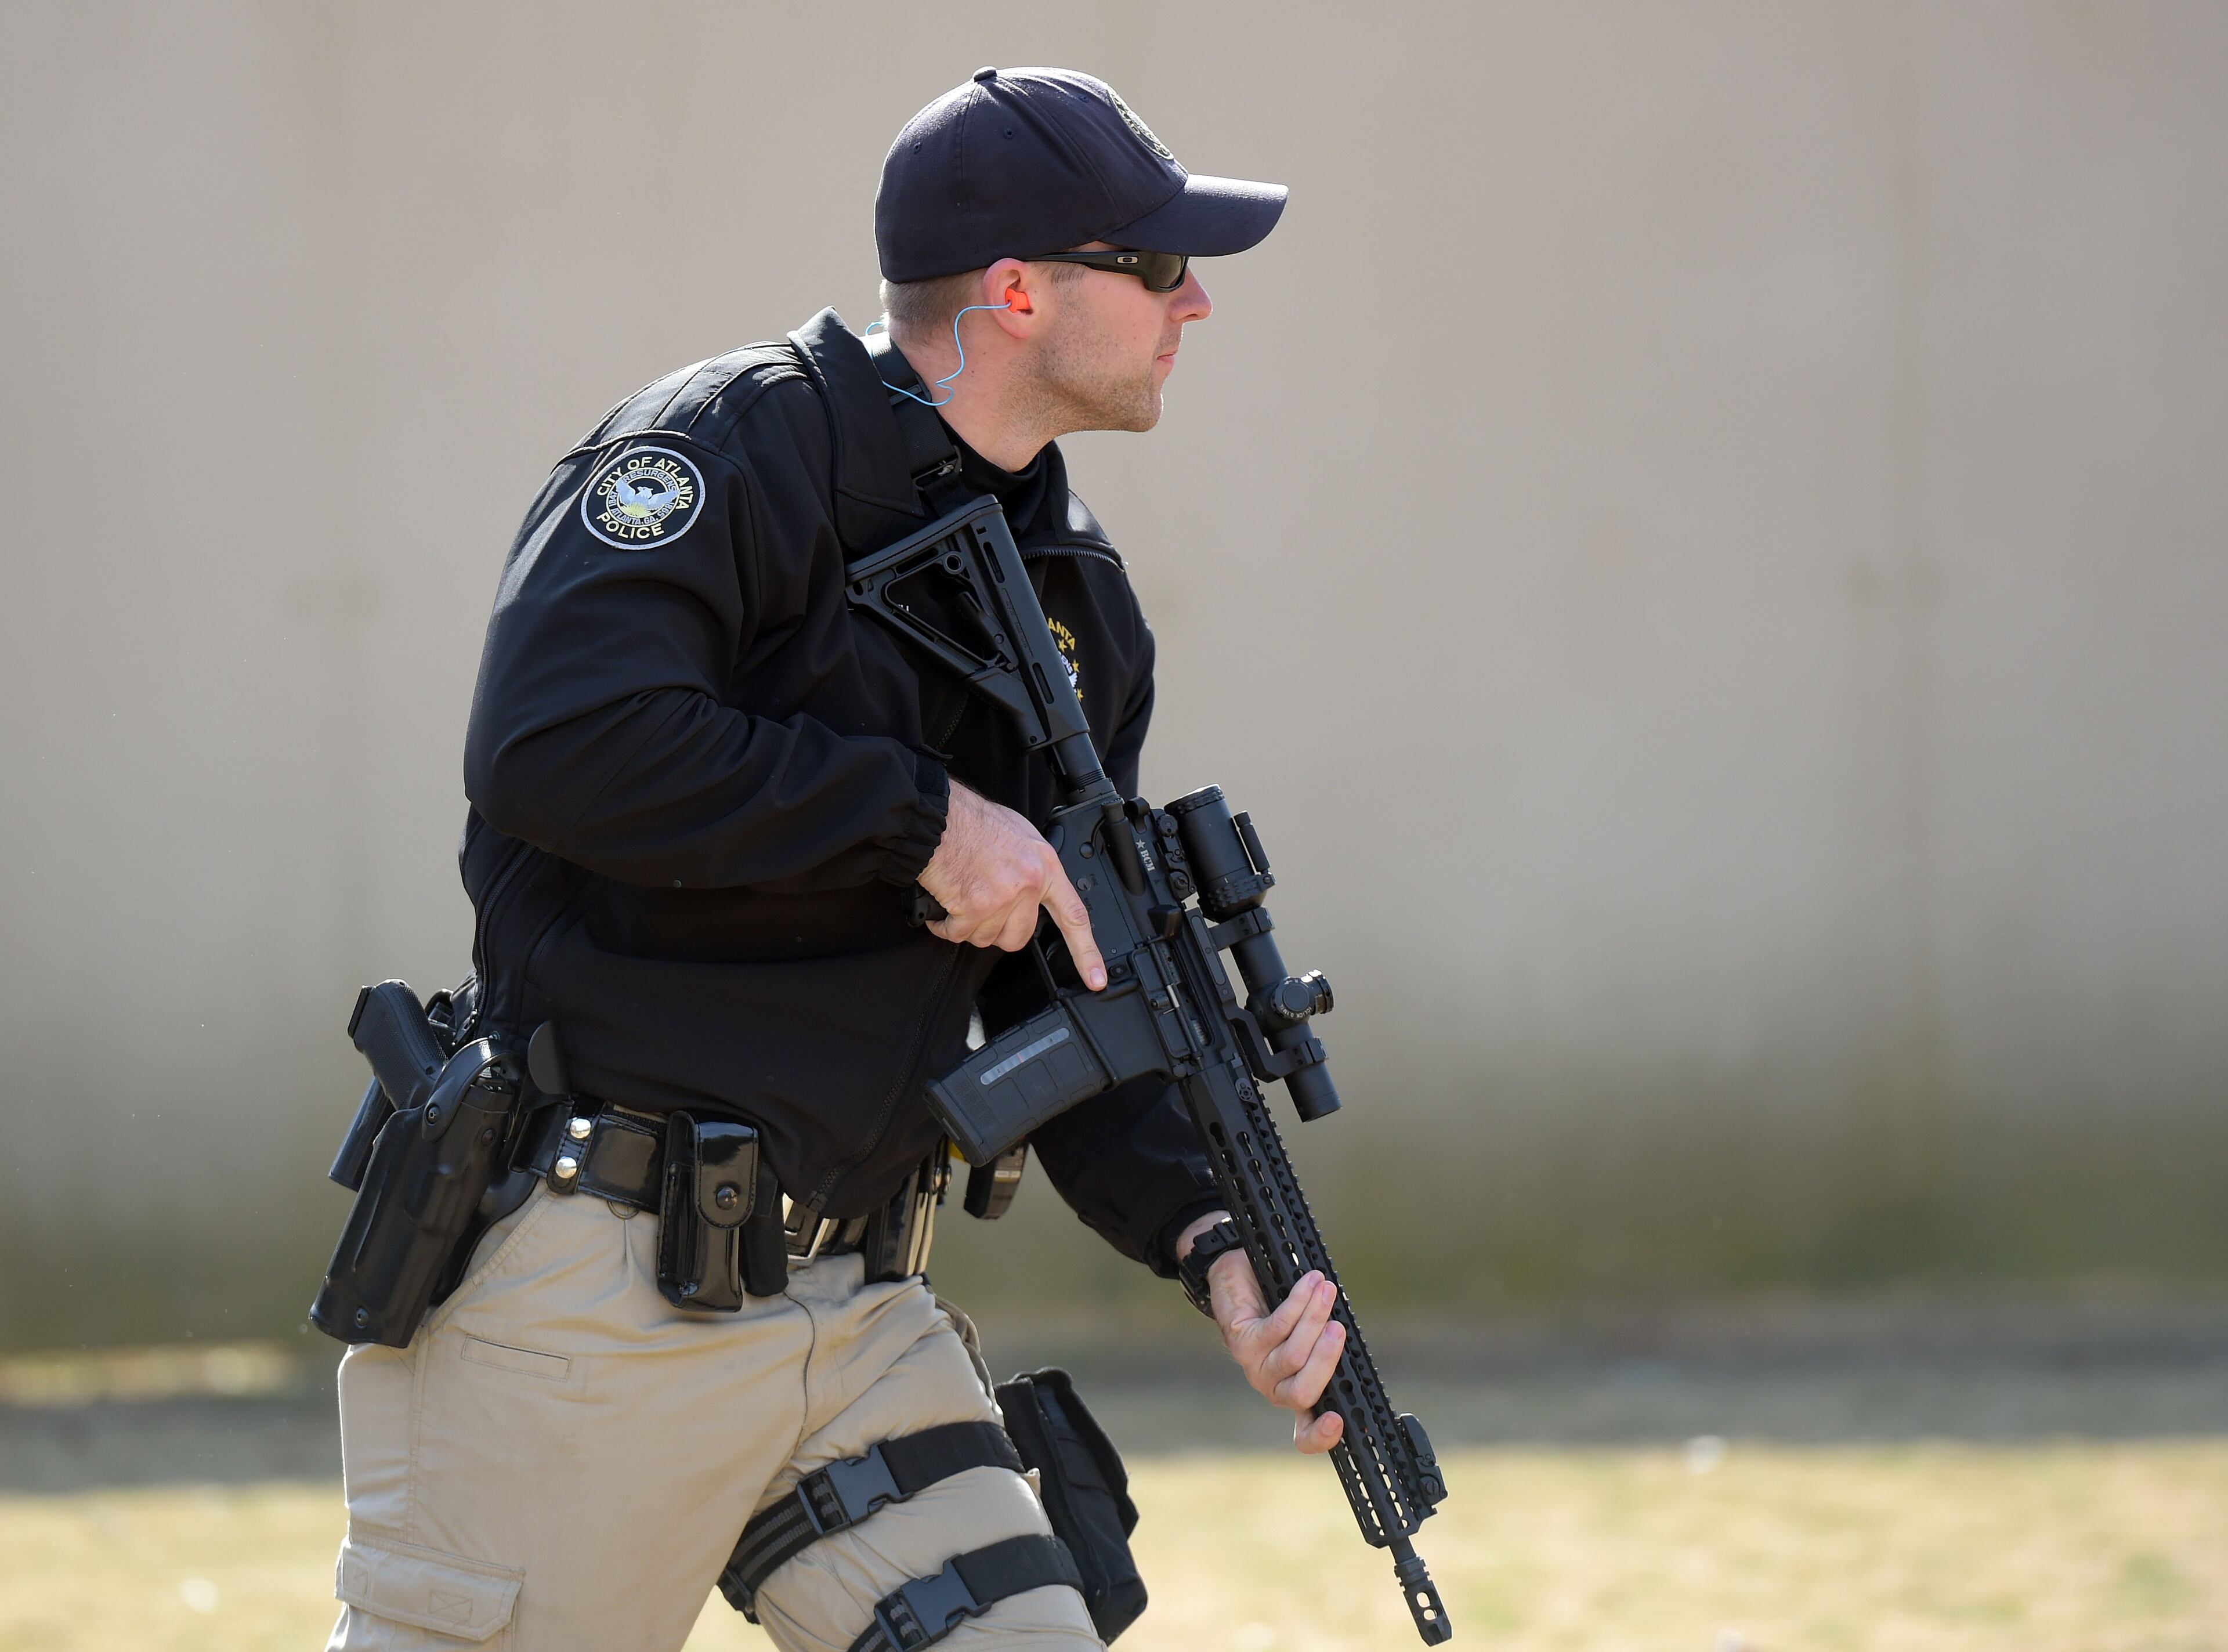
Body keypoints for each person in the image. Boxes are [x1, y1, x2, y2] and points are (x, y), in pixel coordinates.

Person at [327, 67, 1346, 1652]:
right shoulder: (729, 455)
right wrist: (925, 822)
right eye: (1155, 269)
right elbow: (557, 745)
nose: (1195, 304)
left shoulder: (1074, 604)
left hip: (861, 1313)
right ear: (1017, 293)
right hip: (601, 1305)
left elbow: (1076, 989)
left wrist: (1212, 1239)